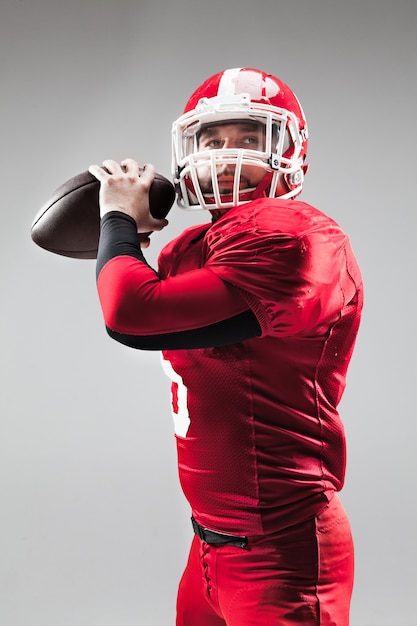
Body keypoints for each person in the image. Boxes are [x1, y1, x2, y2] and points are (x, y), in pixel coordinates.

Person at [89, 67, 363, 626]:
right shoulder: (192, 247)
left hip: (281, 550)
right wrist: (131, 240)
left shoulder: (300, 238)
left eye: (247, 139)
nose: (225, 154)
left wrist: (116, 219)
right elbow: (138, 299)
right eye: (212, 140)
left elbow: (130, 314)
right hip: (208, 545)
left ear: (287, 151)